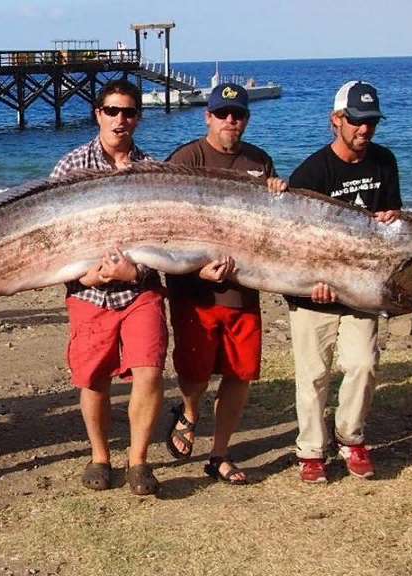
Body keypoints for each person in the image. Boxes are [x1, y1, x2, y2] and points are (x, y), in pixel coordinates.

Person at [162, 84, 287, 485]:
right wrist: (195, 270)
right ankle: (190, 410)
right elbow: (163, 224)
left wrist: (280, 193)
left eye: (237, 114)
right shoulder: (187, 157)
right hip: (194, 292)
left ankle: (219, 453)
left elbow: (272, 227)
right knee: (196, 375)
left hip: (243, 289)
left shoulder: (259, 161)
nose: (230, 121)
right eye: (222, 114)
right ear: (208, 117)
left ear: (246, 119)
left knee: (240, 372)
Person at [49, 79, 165, 496]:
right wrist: (86, 277)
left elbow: (167, 237)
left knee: (150, 372)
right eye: (112, 111)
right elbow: (50, 237)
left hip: (140, 290)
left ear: (138, 117)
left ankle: (139, 462)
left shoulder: (153, 170)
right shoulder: (71, 166)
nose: (121, 119)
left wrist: (134, 275)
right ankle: (100, 456)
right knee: (92, 378)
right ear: (98, 113)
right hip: (88, 293)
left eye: (129, 112)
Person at [286, 81, 402, 484]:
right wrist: (309, 283)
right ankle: (311, 449)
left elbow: (392, 221)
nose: (364, 130)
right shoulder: (312, 171)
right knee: (314, 374)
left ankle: (350, 436)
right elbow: (290, 240)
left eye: (370, 122)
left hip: (361, 287)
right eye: (355, 121)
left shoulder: (384, 161)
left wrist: (392, 219)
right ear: (336, 121)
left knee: (363, 364)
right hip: (314, 290)